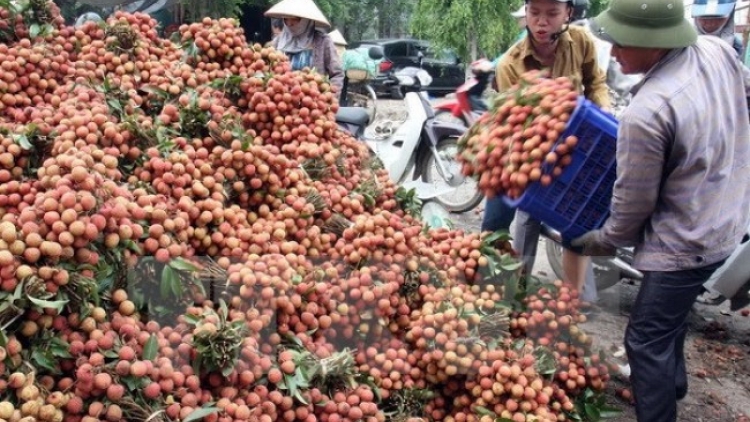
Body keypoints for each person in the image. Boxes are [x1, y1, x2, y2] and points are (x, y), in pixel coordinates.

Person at [573, 0, 750, 420]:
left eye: (621, 43)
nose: (613, 53)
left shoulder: (647, 112)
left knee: (645, 338)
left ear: (654, 44)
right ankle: (675, 384)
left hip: (687, 239)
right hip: (729, 214)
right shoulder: (716, 49)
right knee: (668, 316)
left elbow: (634, 204)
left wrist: (602, 240)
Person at [483, 0, 609, 298]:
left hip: (572, 146)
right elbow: (517, 121)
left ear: (568, 13)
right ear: (525, 13)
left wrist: (602, 112)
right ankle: (504, 291)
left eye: (552, 14)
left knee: (576, 222)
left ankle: (578, 300)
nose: (542, 22)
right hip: (519, 149)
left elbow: (595, 82)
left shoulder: (581, 42)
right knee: (500, 220)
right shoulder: (510, 64)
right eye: (534, 13)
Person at [265, 0, 344, 91]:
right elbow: (266, 70)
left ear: (306, 20)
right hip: (281, 101)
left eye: (295, 19)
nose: (290, 23)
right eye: (286, 19)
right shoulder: (278, 42)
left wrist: (330, 98)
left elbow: (337, 74)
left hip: (312, 101)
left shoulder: (323, 41)